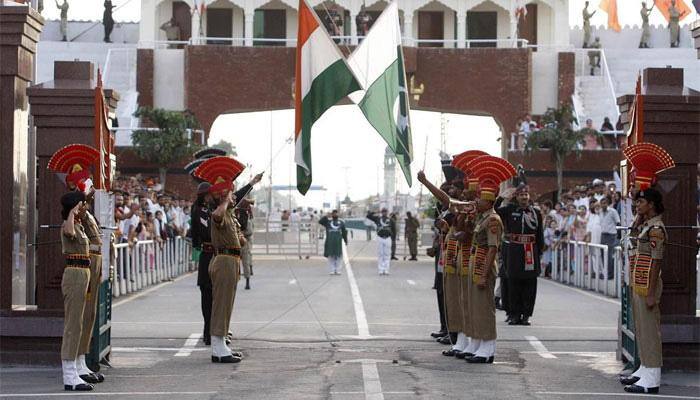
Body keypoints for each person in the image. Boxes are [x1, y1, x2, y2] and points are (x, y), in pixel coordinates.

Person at [618, 143, 674, 394]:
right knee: (641, 327)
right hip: (639, 280)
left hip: (648, 282)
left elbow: (656, 262)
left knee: (650, 330)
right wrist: (637, 218)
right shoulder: (645, 224)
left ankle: (652, 377)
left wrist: (651, 291)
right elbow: (632, 236)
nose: (637, 205)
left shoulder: (656, 229)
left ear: (651, 204)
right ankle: (644, 370)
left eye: (641, 202)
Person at [193, 156, 247, 364]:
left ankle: (221, 342)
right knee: (220, 304)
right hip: (223, 260)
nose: (234, 198)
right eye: (231, 194)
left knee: (226, 304)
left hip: (231, 260)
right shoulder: (218, 211)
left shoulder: (230, 213)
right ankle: (217, 346)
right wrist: (224, 199)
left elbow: (239, 238)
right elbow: (216, 216)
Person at [465, 155, 513, 363]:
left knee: (485, 308)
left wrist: (484, 275)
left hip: (485, 264)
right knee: (475, 307)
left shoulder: (493, 220)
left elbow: (493, 248)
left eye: (480, 199)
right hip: (477, 262)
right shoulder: (483, 217)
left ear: (489, 201)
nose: (477, 201)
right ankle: (477, 343)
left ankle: (488, 348)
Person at [497, 183, 544, 326]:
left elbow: (539, 234)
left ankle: (526, 314)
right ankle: (514, 314)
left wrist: (540, 251)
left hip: (531, 250)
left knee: (530, 284)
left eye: (526, 195)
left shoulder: (535, 213)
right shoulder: (510, 210)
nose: (524, 197)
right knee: (513, 283)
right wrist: (500, 197)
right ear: (516, 197)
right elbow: (493, 211)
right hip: (514, 251)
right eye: (521, 195)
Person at [190, 182, 214, 345]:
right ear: (206, 196)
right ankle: (208, 330)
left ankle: (213, 329)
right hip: (208, 254)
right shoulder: (200, 211)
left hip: (212, 254)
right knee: (207, 295)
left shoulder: (209, 210)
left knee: (214, 296)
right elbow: (205, 232)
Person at [319, 210, 348, 275]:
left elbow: (344, 232)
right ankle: (332, 270)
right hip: (330, 241)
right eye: (333, 213)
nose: (335, 214)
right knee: (331, 256)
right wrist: (326, 215)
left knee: (339, 256)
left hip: (338, 242)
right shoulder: (328, 222)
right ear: (332, 214)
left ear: (338, 214)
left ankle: (338, 270)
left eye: (336, 213)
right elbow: (320, 221)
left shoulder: (341, 222)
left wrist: (346, 241)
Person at [367, 208, 394, 275]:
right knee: (380, 254)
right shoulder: (378, 219)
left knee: (387, 254)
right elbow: (368, 216)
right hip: (380, 238)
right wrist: (375, 211)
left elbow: (394, 230)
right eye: (383, 212)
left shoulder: (391, 220)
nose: (384, 213)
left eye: (385, 212)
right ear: (381, 212)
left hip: (388, 238)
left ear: (387, 212)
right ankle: (381, 269)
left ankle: (386, 269)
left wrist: (393, 239)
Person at [599, 196, 620, 280]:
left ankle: (610, 274)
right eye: (602, 203)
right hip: (603, 235)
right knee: (603, 255)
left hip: (611, 235)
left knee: (610, 256)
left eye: (604, 203)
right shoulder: (600, 212)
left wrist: (618, 235)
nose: (603, 205)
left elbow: (618, 222)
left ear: (607, 204)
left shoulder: (612, 211)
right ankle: (606, 273)